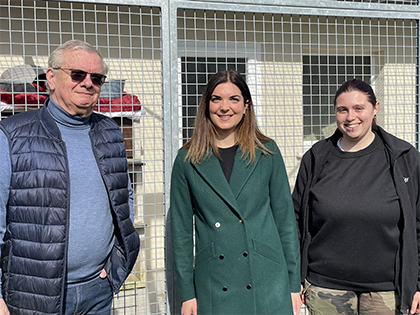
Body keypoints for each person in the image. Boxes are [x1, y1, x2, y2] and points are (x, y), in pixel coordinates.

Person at [0, 39, 140, 315]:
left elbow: (124, 197)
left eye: (97, 77)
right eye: (77, 74)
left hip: (98, 290)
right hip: (35, 297)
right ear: (51, 77)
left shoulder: (110, 131)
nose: (88, 83)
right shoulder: (11, 135)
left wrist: (116, 260)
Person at [170, 70, 301, 315]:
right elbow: (181, 233)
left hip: (266, 277)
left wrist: (294, 283)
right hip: (215, 281)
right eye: (216, 99)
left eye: (234, 99)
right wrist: (187, 293)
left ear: (246, 106)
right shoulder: (187, 160)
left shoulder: (267, 152)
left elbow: (285, 220)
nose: (225, 107)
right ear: (206, 105)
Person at [293, 79, 420, 315]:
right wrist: (295, 279)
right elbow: (296, 220)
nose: (350, 117)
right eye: (343, 110)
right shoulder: (317, 158)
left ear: (375, 108)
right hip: (326, 288)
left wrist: (418, 283)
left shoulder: (404, 158)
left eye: (359, 108)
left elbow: (418, 223)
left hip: (387, 290)